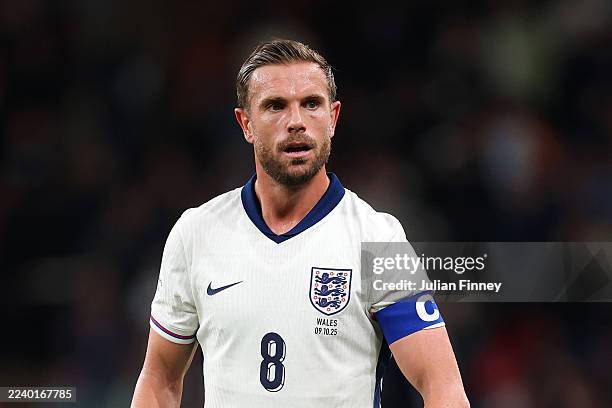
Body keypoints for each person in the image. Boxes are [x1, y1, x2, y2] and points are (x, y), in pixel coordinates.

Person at [131, 39, 469, 408]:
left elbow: (442, 386)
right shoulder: (196, 233)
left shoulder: (377, 238)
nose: (296, 122)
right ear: (246, 123)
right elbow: (159, 379)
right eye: (275, 106)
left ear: (333, 118)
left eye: (311, 104)